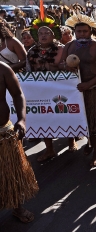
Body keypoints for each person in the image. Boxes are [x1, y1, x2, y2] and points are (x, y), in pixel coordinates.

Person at [62, 14, 96, 167]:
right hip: (76, 91)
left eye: (85, 31)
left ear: (90, 31)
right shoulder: (69, 46)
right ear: (74, 31)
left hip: (94, 90)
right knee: (84, 122)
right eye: (79, 31)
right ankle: (89, 143)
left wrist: (89, 84)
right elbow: (61, 64)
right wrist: (66, 67)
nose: (82, 34)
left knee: (95, 123)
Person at [26, 16, 75, 162]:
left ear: (53, 35)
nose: (43, 35)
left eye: (47, 33)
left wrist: (56, 66)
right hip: (39, 90)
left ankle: (71, 140)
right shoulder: (31, 51)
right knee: (44, 117)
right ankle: (49, 149)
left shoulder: (62, 48)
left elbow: (69, 68)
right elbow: (28, 71)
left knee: (64, 113)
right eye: (40, 33)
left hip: (61, 88)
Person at [0, 61, 39, 223]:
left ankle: (17, 207)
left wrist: (22, 120)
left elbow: (17, 94)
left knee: (11, 172)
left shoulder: (2, 68)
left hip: (4, 131)